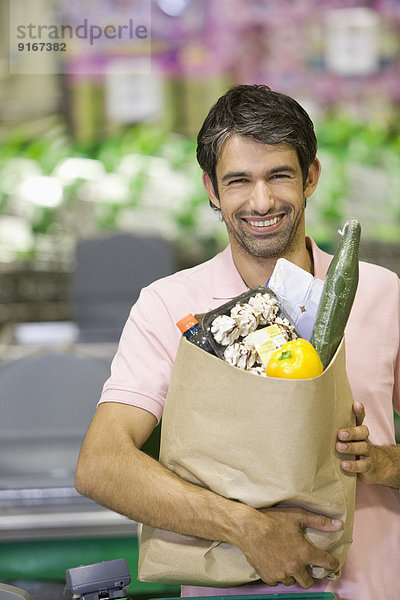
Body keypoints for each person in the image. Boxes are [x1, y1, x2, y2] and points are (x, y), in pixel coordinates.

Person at [75, 84, 400, 599]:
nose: (262, 201)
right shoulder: (167, 305)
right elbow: (101, 465)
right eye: (239, 181)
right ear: (211, 188)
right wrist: (244, 527)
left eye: (280, 175)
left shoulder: (382, 293)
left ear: (311, 176)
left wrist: (385, 462)